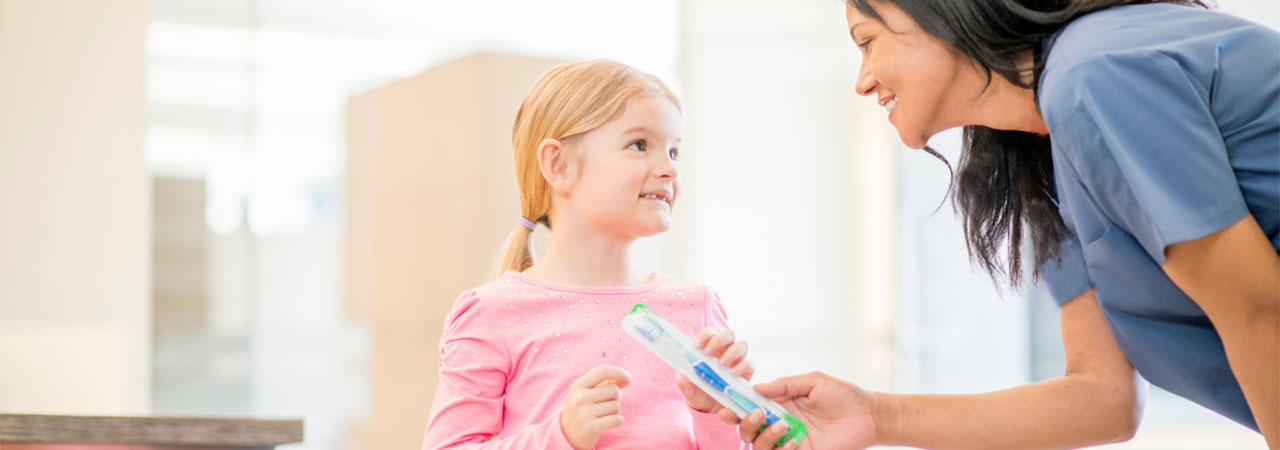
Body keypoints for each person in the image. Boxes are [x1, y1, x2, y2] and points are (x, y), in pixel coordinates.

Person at [713, 1, 1280, 449]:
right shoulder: (1054, 155)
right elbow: (1102, 398)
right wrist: (875, 416)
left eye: (868, 42)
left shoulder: (1093, 76)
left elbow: (1259, 310)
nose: (862, 81)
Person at [421, 59, 755, 450]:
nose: (668, 169)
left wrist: (713, 415)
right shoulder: (493, 313)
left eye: (674, 152)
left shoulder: (697, 307)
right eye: (639, 145)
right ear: (558, 165)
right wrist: (560, 434)